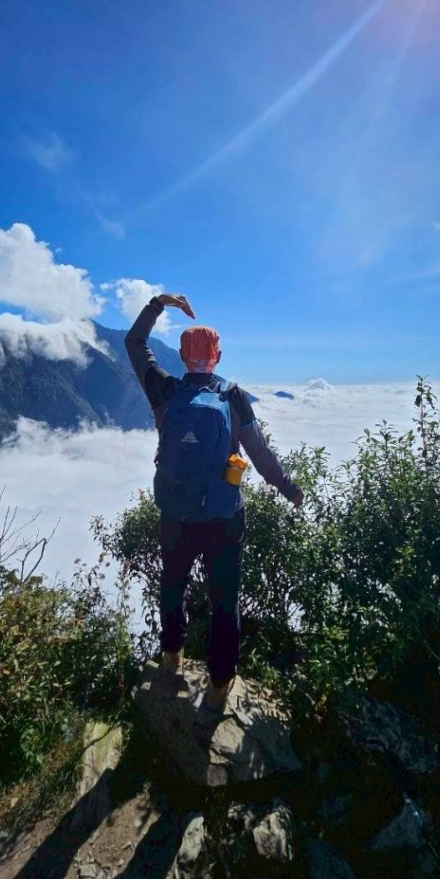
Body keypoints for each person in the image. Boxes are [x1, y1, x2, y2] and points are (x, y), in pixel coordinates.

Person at [125, 293, 304, 710]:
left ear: (183, 356)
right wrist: (288, 488)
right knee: (225, 599)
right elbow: (259, 454)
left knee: (173, 587)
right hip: (224, 517)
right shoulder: (233, 397)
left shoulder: (164, 391)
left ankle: (172, 662)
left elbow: (135, 344)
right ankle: (220, 687)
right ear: (217, 357)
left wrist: (157, 304)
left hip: (176, 513)